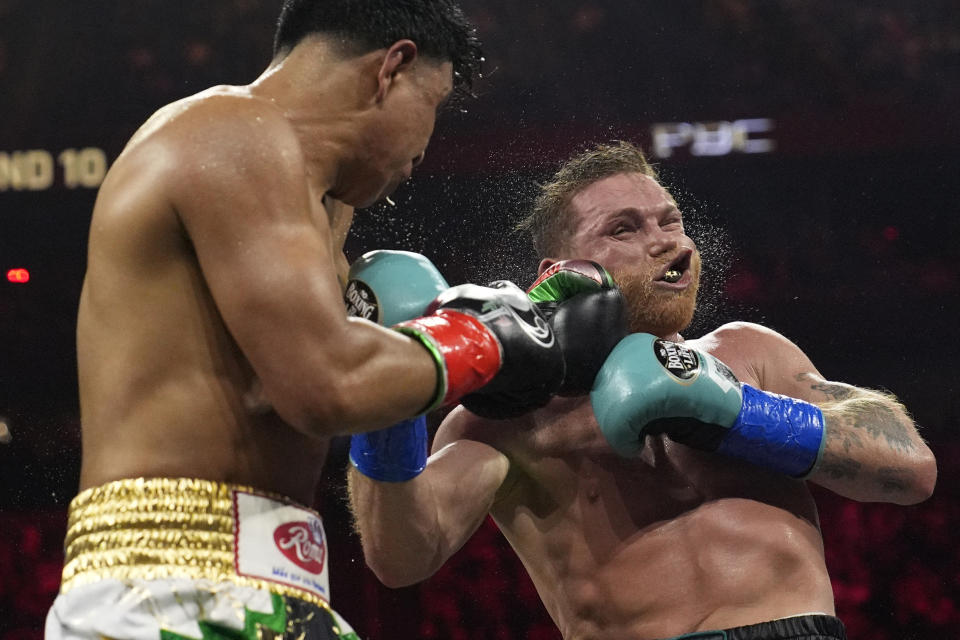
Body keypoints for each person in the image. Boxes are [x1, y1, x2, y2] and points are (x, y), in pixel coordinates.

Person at [45, 2, 571, 639]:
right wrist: (491, 337)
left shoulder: (319, 209)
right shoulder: (233, 129)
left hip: (272, 587)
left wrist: (412, 350)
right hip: (169, 584)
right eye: (433, 104)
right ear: (391, 69)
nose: (426, 148)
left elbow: (284, 390)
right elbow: (328, 386)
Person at [348, 141, 937, 640]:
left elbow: (911, 469)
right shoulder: (509, 418)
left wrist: (736, 411)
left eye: (670, 220)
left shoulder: (747, 351)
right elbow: (401, 556)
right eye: (623, 228)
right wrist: (389, 396)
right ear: (561, 270)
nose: (663, 241)